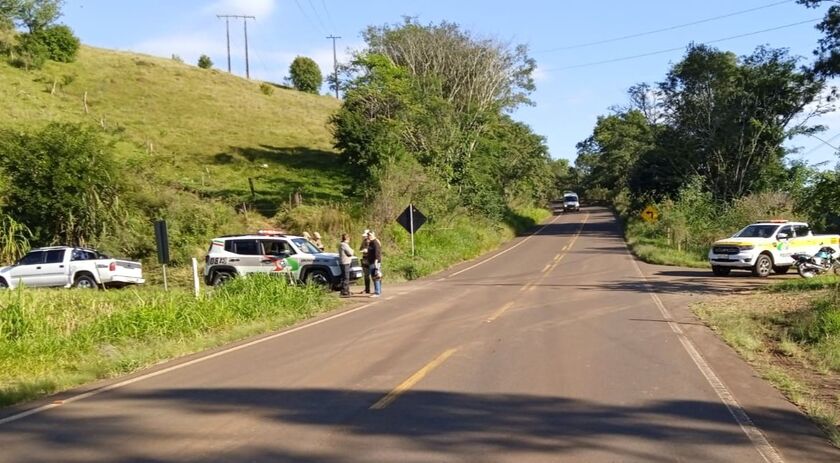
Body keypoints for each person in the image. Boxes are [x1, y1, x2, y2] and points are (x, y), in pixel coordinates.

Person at [367, 231, 383, 297]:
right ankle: (378, 290)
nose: (369, 236)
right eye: (368, 235)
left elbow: (377, 252)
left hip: (375, 262)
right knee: (376, 276)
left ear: (373, 235)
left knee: (376, 276)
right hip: (371, 262)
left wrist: (376, 261)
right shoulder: (371, 242)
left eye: (370, 235)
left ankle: (377, 292)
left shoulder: (375, 242)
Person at [359, 229, 371, 294]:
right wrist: (363, 249)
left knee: (374, 275)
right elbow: (360, 248)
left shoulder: (372, 241)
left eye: (366, 236)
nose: (365, 237)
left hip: (370, 258)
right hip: (364, 258)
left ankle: (377, 289)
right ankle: (367, 289)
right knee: (366, 275)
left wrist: (367, 250)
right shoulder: (363, 241)